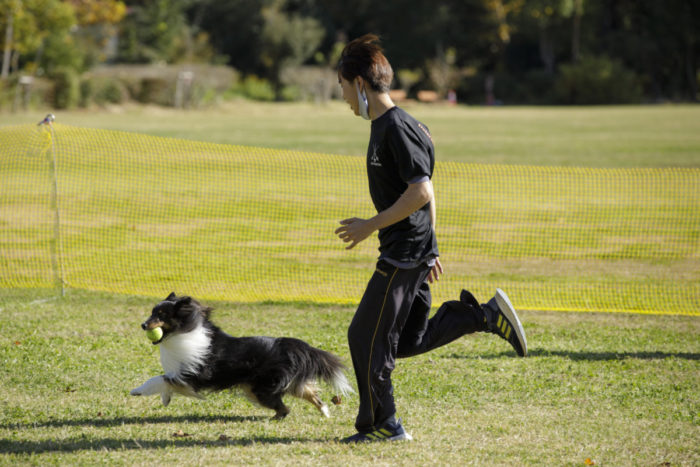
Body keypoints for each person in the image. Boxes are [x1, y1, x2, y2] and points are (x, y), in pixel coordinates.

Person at [334, 34, 528, 444]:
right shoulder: (385, 126)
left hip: (403, 256)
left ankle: (383, 424)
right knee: (406, 340)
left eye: (343, 87)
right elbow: (427, 190)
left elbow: (421, 192)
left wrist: (372, 225)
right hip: (414, 252)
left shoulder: (397, 128)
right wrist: (432, 248)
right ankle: (481, 316)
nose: (344, 98)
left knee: (366, 337)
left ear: (361, 84)